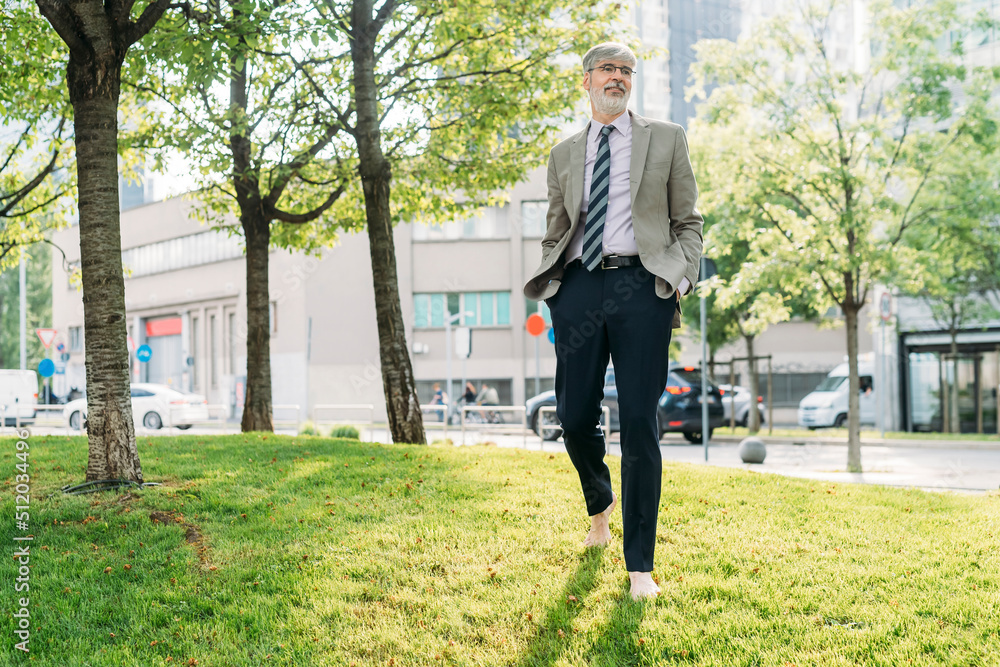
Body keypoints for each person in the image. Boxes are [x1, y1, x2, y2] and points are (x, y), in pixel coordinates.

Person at [523, 42, 703, 600]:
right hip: (578, 287)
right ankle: (599, 503)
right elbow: (557, 229)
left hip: (641, 285)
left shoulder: (666, 138)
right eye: (608, 69)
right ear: (587, 81)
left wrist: (676, 277)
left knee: (642, 425)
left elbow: (689, 223)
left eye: (626, 70)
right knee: (574, 417)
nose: (618, 78)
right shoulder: (562, 154)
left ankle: (640, 567)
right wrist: (555, 288)